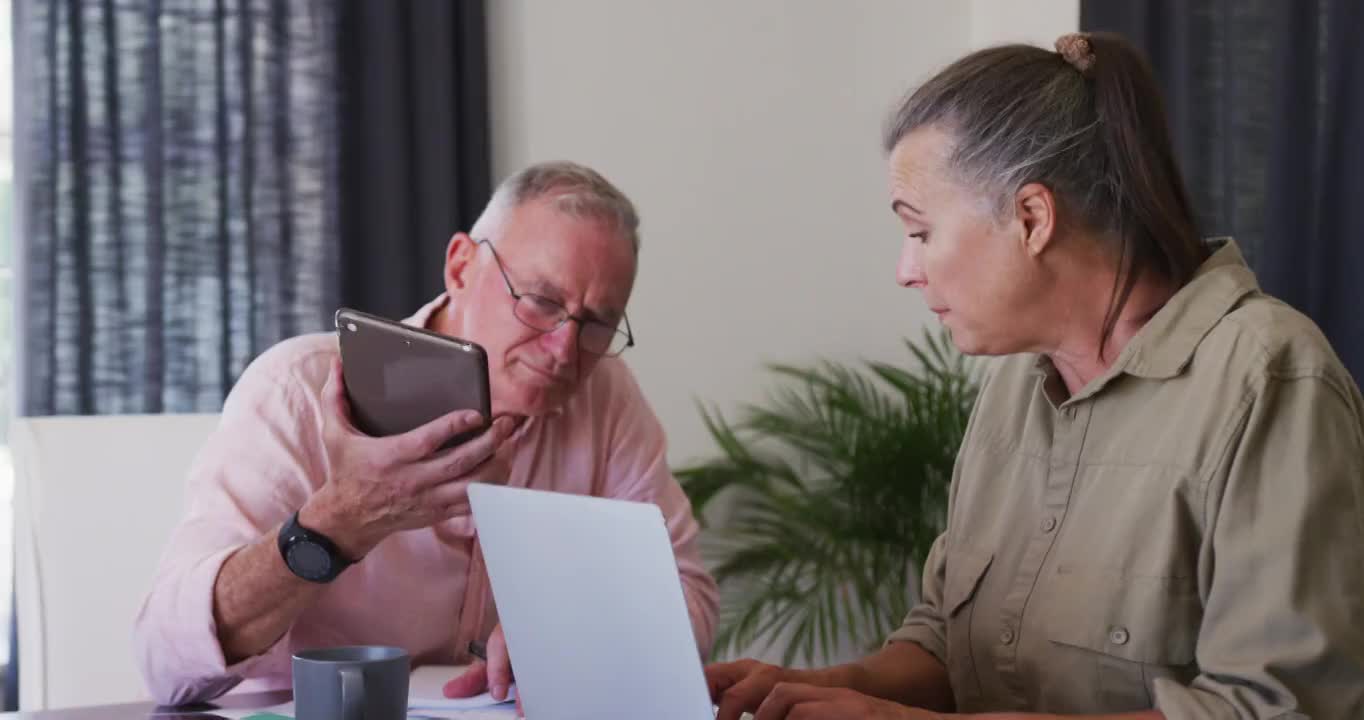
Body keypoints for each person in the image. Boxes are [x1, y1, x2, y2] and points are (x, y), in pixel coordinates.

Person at [706, 32, 1364, 720]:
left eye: (921, 231)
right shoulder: (1014, 387)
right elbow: (946, 640)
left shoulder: (1271, 382)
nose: (906, 269)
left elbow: (1283, 709)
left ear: (1032, 217)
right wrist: (833, 688)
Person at [133, 161, 719, 705]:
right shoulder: (296, 390)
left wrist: (582, 629)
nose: (566, 348)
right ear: (462, 266)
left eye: (597, 324)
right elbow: (167, 663)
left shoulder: (607, 397)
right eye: (540, 301)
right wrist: (338, 525)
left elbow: (690, 600)